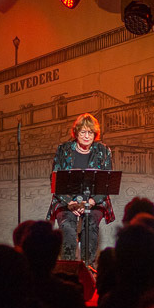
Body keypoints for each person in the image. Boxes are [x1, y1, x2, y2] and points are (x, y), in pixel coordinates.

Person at [46, 113, 115, 267]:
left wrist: (89, 203)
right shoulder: (63, 149)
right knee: (68, 228)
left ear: (95, 134)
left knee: (90, 225)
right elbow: (55, 180)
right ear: (76, 132)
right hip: (66, 200)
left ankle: (87, 268)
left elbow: (106, 184)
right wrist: (70, 202)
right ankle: (69, 268)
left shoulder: (103, 151)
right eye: (83, 132)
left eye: (90, 132)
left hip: (94, 200)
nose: (86, 136)